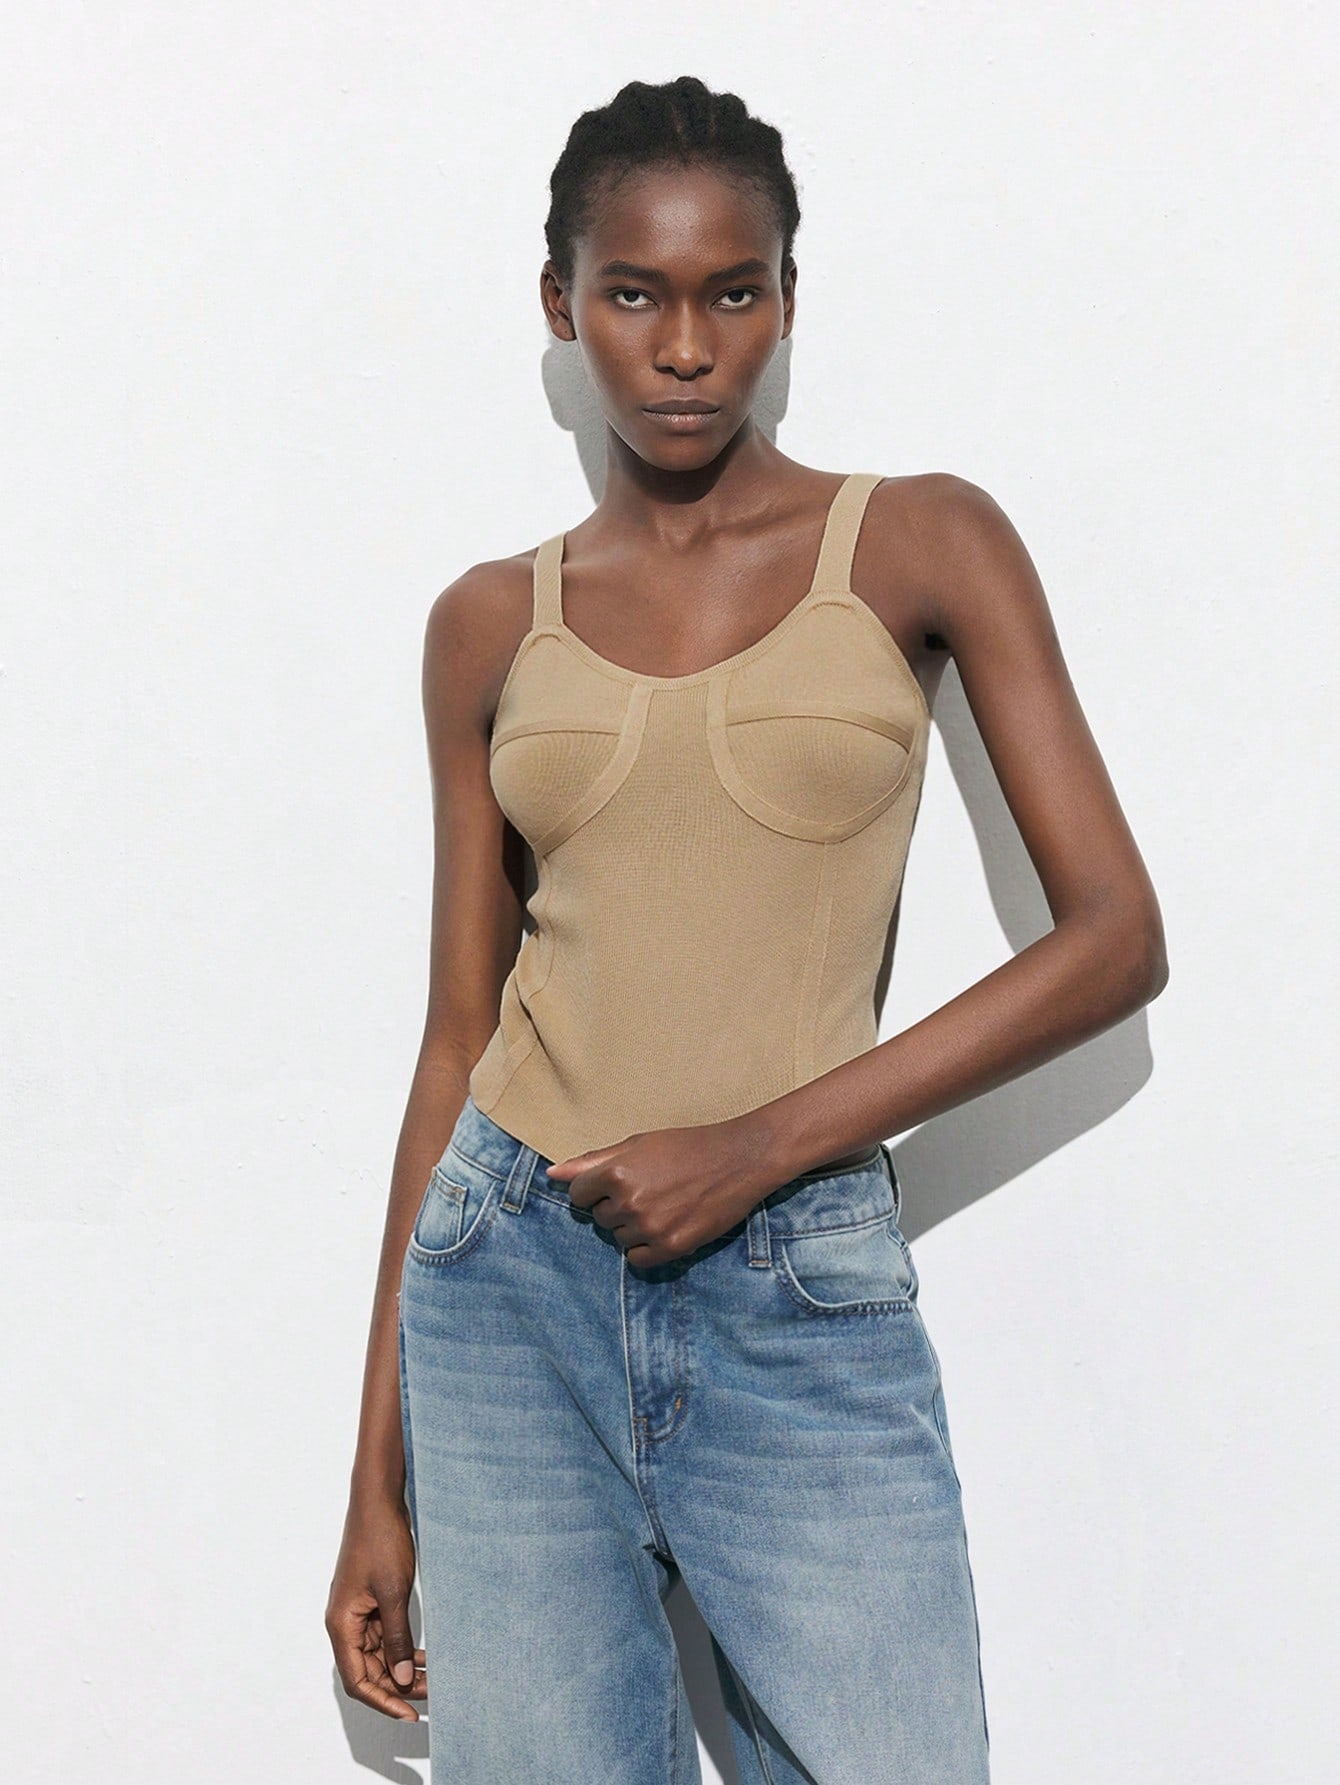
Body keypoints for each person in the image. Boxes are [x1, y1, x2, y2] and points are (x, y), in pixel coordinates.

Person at [325, 74, 1169, 1785]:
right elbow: (454, 1036)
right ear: (561, 305)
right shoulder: (487, 622)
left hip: (798, 1270)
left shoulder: (921, 539)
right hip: (510, 1282)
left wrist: (758, 1147)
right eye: (635, 294)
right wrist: (374, 1481)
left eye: (733, 293)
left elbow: (1113, 937)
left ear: (788, 298)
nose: (687, 347)